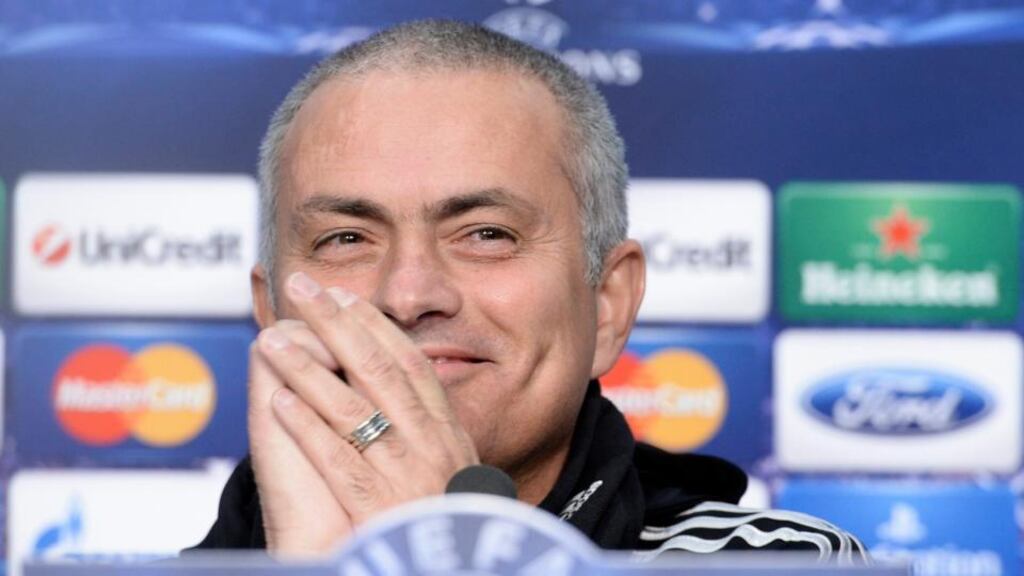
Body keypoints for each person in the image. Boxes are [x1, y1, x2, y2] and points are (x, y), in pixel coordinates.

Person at [194, 19, 866, 562]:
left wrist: (437, 554)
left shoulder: (781, 563)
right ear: (272, 313)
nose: (408, 293)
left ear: (608, 304)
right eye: (346, 239)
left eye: (485, 233)